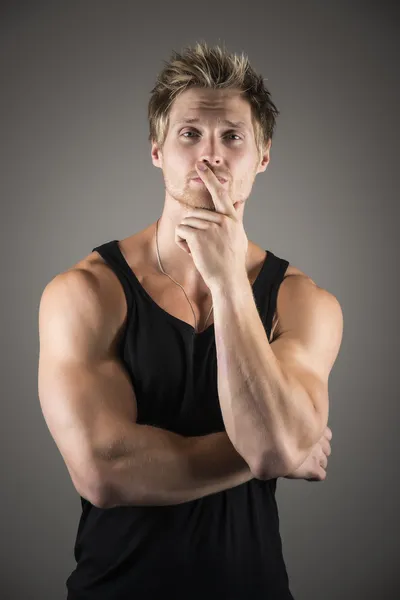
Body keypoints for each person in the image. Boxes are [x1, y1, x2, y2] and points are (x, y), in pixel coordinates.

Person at [38, 41, 343, 600]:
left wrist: (228, 279)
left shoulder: (304, 302)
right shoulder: (85, 293)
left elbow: (276, 445)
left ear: (263, 155)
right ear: (156, 150)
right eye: (189, 134)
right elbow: (104, 472)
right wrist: (275, 449)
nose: (211, 155)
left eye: (232, 136)